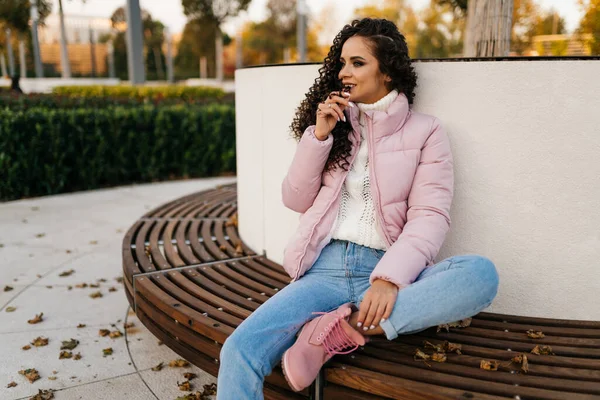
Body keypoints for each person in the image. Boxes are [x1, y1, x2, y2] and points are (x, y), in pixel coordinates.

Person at [217, 17, 499, 399]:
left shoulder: (426, 132)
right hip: (323, 272)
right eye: (342, 63)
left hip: (387, 270)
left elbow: (429, 216)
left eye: (358, 63)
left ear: (387, 71)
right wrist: (318, 137)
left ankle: (344, 327)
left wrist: (389, 279)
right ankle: (344, 324)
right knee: (238, 350)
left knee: (480, 275)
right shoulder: (331, 129)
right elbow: (295, 199)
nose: (345, 72)